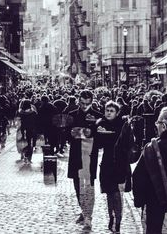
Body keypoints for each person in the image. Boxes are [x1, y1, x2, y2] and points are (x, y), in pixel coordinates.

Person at [67, 89, 103, 230]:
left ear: (92, 102)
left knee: (88, 185)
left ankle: (88, 216)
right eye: (82, 103)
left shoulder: (98, 116)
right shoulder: (71, 116)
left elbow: (99, 138)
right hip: (76, 155)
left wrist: (78, 133)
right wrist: (84, 133)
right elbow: (67, 136)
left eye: (87, 103)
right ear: (78, 100)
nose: (84, 106)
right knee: (77, 185)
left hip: (89, 156)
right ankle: (83, 210)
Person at [94, 101, 124, 232]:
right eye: (107, 110)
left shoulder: (122, 125)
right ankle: (111, 217)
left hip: (119, 162)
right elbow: (98, 145)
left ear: (117, 113)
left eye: (112, 111)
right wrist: (98, 133)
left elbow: (127, 142)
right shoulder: (101, 124)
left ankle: (118, 220)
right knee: (109, 193)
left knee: (117, 194)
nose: (109, 113)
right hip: (106, 162)